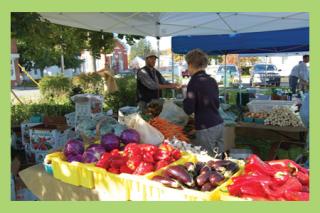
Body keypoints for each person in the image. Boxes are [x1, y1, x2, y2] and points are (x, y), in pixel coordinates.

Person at [182, 49, 224, 156]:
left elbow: (188, 109)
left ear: (190, 64)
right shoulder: (211, 80)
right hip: (218, 123)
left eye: (187, 65)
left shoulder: (194, 81)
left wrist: (185, 98)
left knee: (208, 160)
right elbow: (216, 103)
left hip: (206, 127)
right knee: (219, 159)